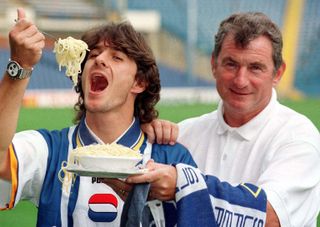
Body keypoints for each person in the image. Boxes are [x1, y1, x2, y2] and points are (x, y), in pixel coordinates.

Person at [0, 8, 271, 227]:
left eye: (116, 57)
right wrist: (19, 68)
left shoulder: (172, 160)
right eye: (92, 55)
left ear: (139, 82)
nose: (99, 60)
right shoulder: (49, 149)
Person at [130, 12, 320, 227]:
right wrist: (141, 136)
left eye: (255, 67)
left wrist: (183, 185)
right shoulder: (184, 133)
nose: (240, 80)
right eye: (231, 64)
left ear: (278, 73)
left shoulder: (298, 137)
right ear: (214, 64)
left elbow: (270, 217)